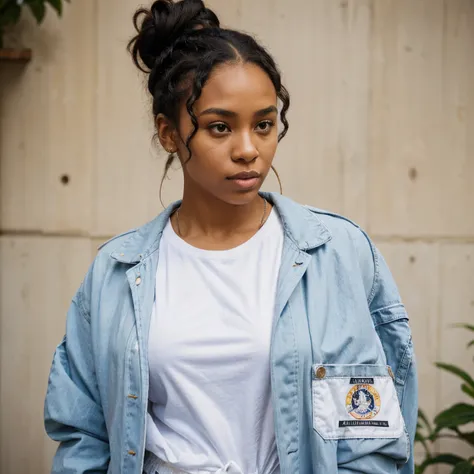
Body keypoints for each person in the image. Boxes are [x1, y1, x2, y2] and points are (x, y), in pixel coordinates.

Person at [43, 0, 418, 473]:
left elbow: (369, 436)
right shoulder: (115, 272)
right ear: (168, 133)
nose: (248, 150)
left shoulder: (335, 254)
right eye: (220, 127)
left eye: (263, 125)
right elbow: (83, 432)